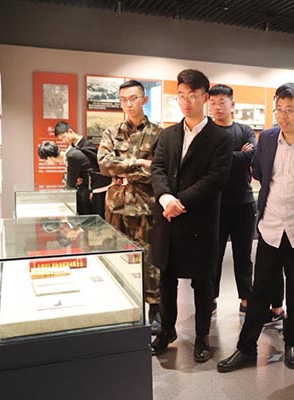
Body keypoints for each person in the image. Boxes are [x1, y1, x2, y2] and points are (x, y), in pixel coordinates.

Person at [217, 82, 294, 372]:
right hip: (271, 228)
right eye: (279, 109)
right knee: (260, 291)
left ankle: (293, 343)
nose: (283, 116)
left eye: (290, 110)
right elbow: (260, 172)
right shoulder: (268, 138)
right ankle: (246, 348)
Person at [149, 69, 232, 362]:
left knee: (202, 282)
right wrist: (165, 197)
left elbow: (216, 178)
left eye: (193, 95)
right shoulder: (168, 134)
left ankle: (201, 337)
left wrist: (179, 201)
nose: (186, 102)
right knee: (167, 279)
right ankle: (167, 330)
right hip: (168, 218)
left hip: (199, 219)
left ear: (205, 97)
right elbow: (157, 168)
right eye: (181, 95)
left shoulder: (220, 138)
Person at [208, 84, 285, 322]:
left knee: (243, 255)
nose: (217, 107)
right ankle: (210, 298)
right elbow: (207, 162)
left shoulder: (244, 130)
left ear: (232, 104)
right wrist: (236, 155)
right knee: (213, 254)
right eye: (212, 102)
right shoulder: (207, 131)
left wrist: (224, 158)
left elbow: (251, 156)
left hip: (243, 202)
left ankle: (246, 299)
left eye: (222, 102)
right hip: (215, 203)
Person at [97, 80, 163, 334]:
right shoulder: (111, 132)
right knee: (118, 258)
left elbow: (158, 170)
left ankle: (156, 310)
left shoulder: (159, 134)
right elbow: (104, 165)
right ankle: (124, 308)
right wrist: (139, 163)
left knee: (150, 260)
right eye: (123, 99)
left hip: (145, 207)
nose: (128, 104)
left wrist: (124, 170)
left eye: (133, 98)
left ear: (144, 100)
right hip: (116, 206)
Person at [53, 121, 111, 219]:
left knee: (98, 218)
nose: (64, 141)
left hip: (99, 187)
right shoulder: (74, 148)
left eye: (64, 137)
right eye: (61, 139)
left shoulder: (86, 146)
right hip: (89, 188)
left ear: (70, 131)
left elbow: (96, 166)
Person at [37, 140, 92, 215]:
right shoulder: (68, 157)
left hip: (86, 198)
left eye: (44, 160)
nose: (46, 163)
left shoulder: (71, 157)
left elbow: (70, 184)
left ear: (49, 157)